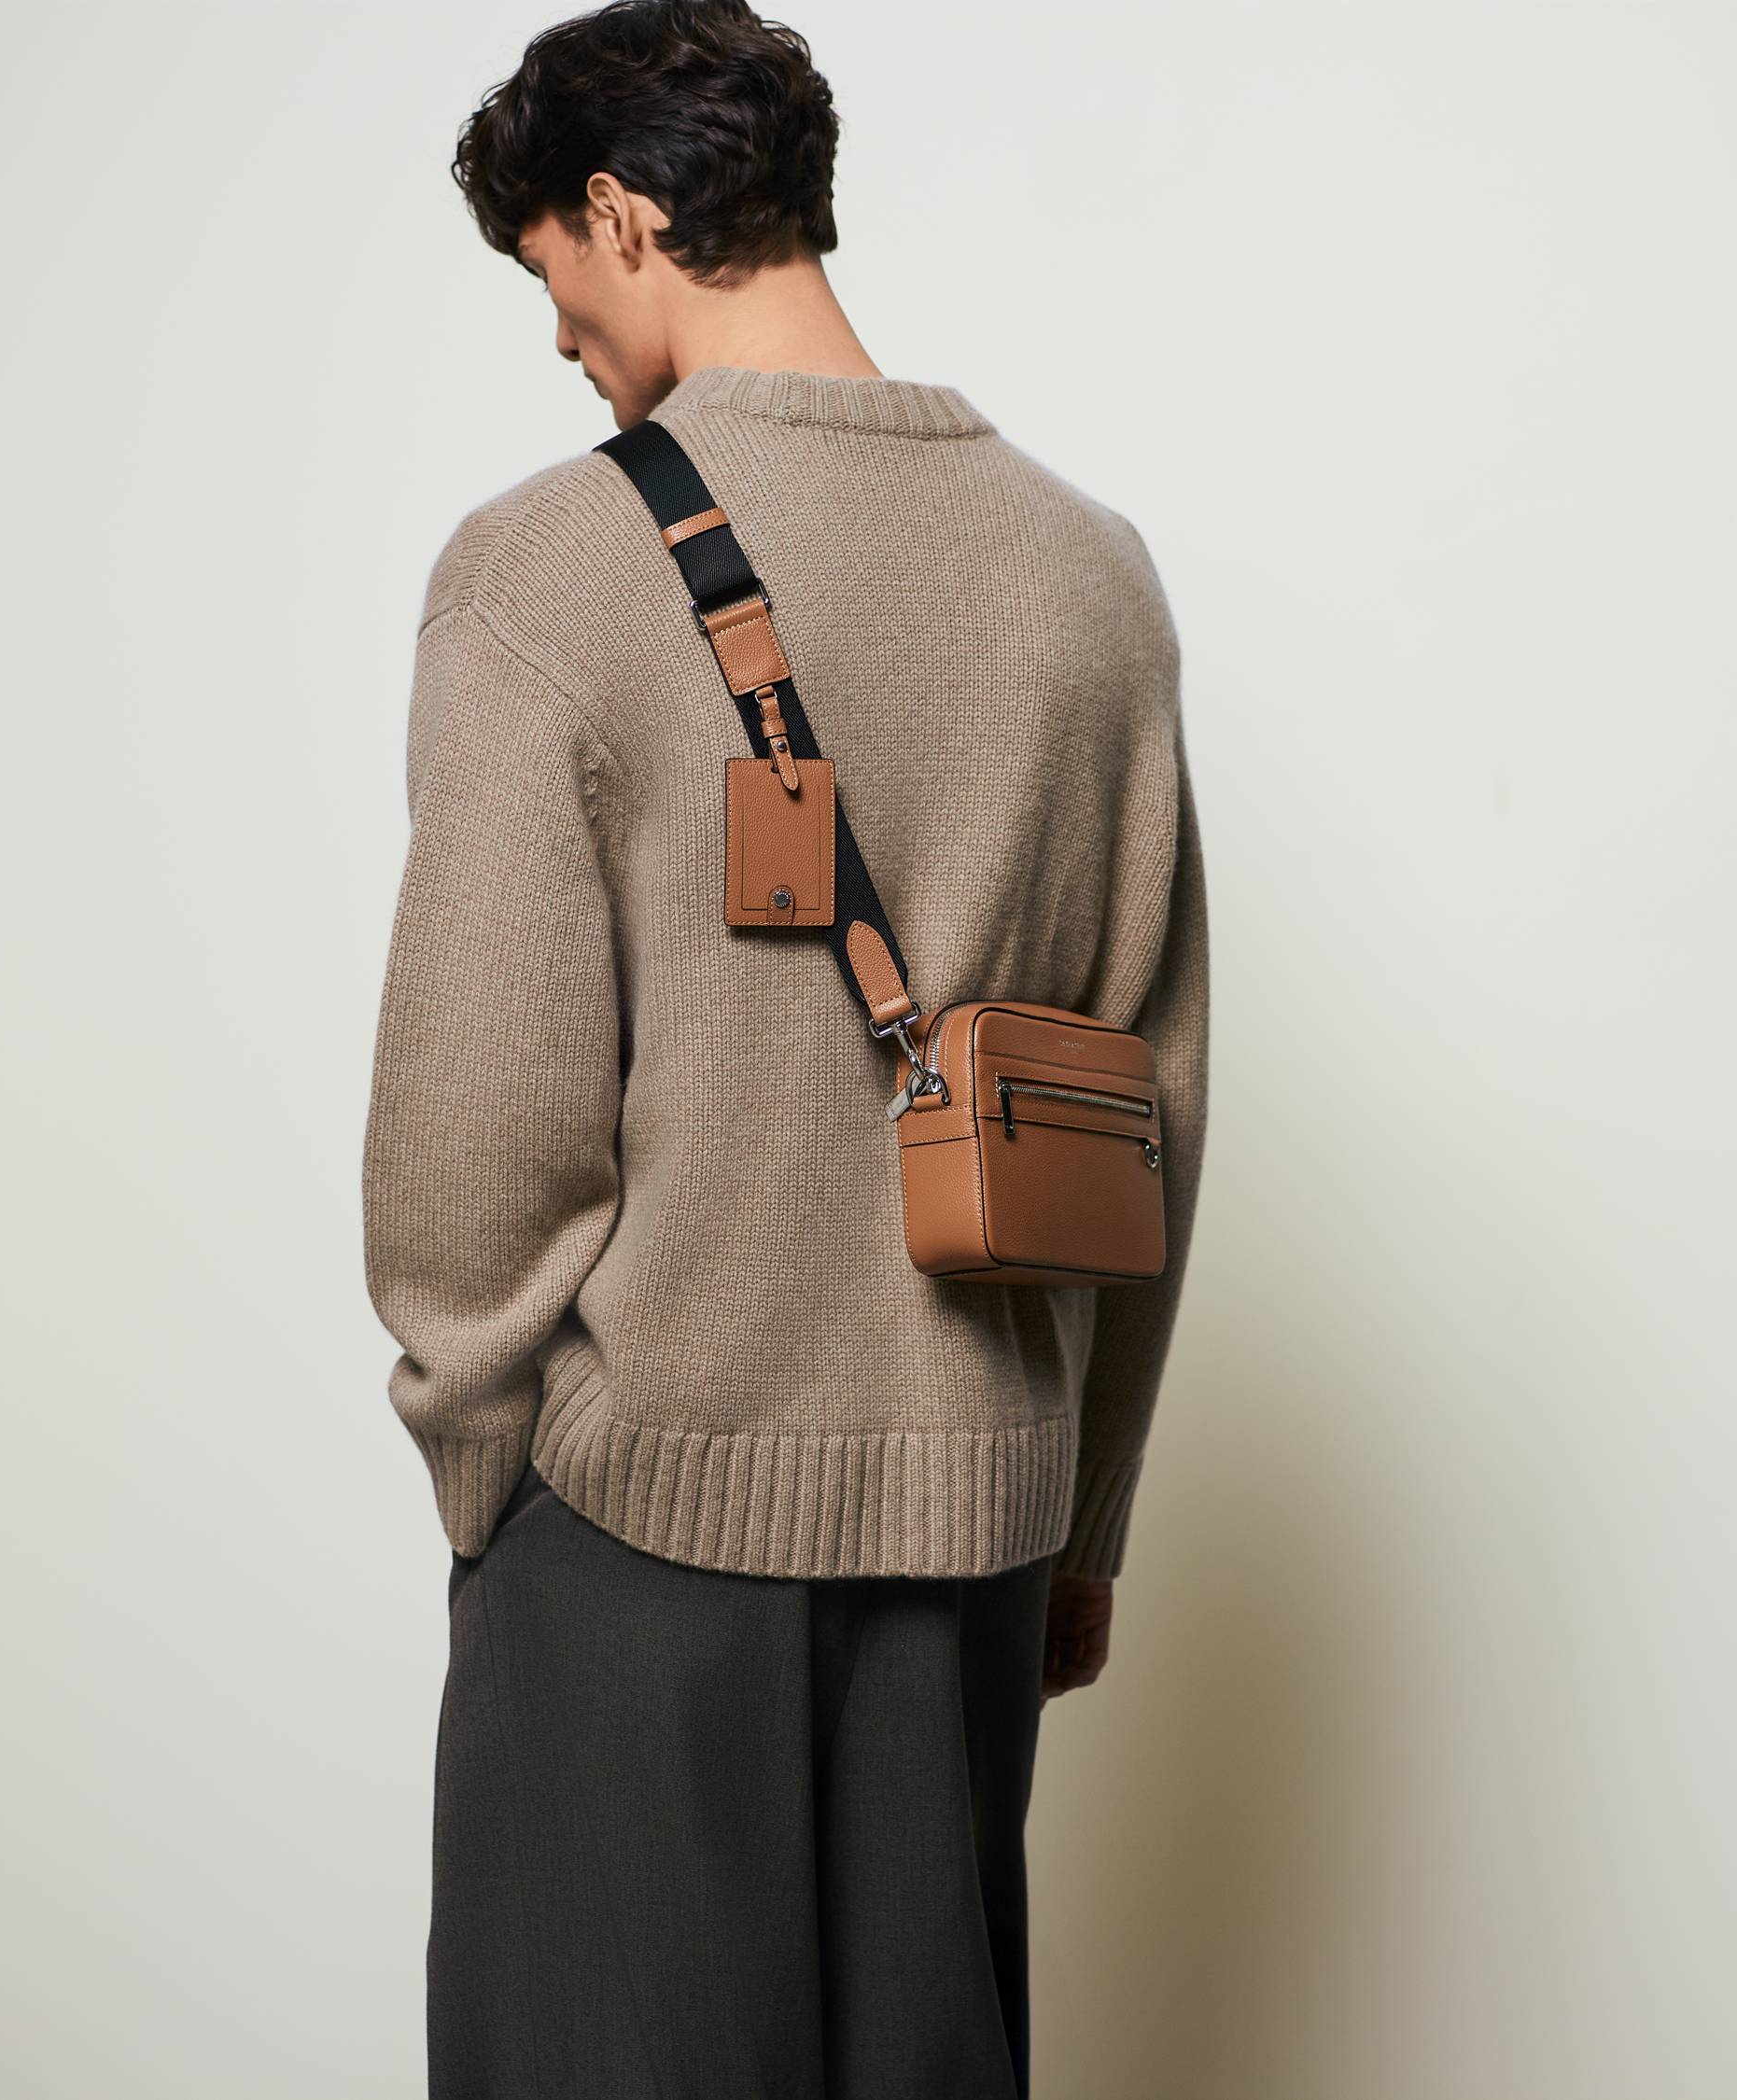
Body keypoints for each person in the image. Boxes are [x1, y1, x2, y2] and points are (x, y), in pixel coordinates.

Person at [360, 3, 1210, 2093]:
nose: (563, 340)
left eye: (551, 277)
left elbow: (479, 1127)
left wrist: (492, 1476)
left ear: (620, 212)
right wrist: (1082, 1515)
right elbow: (1148, 1100)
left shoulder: (546, 567)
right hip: (980, 1527)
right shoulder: (1095, 578)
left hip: (632, 1533)